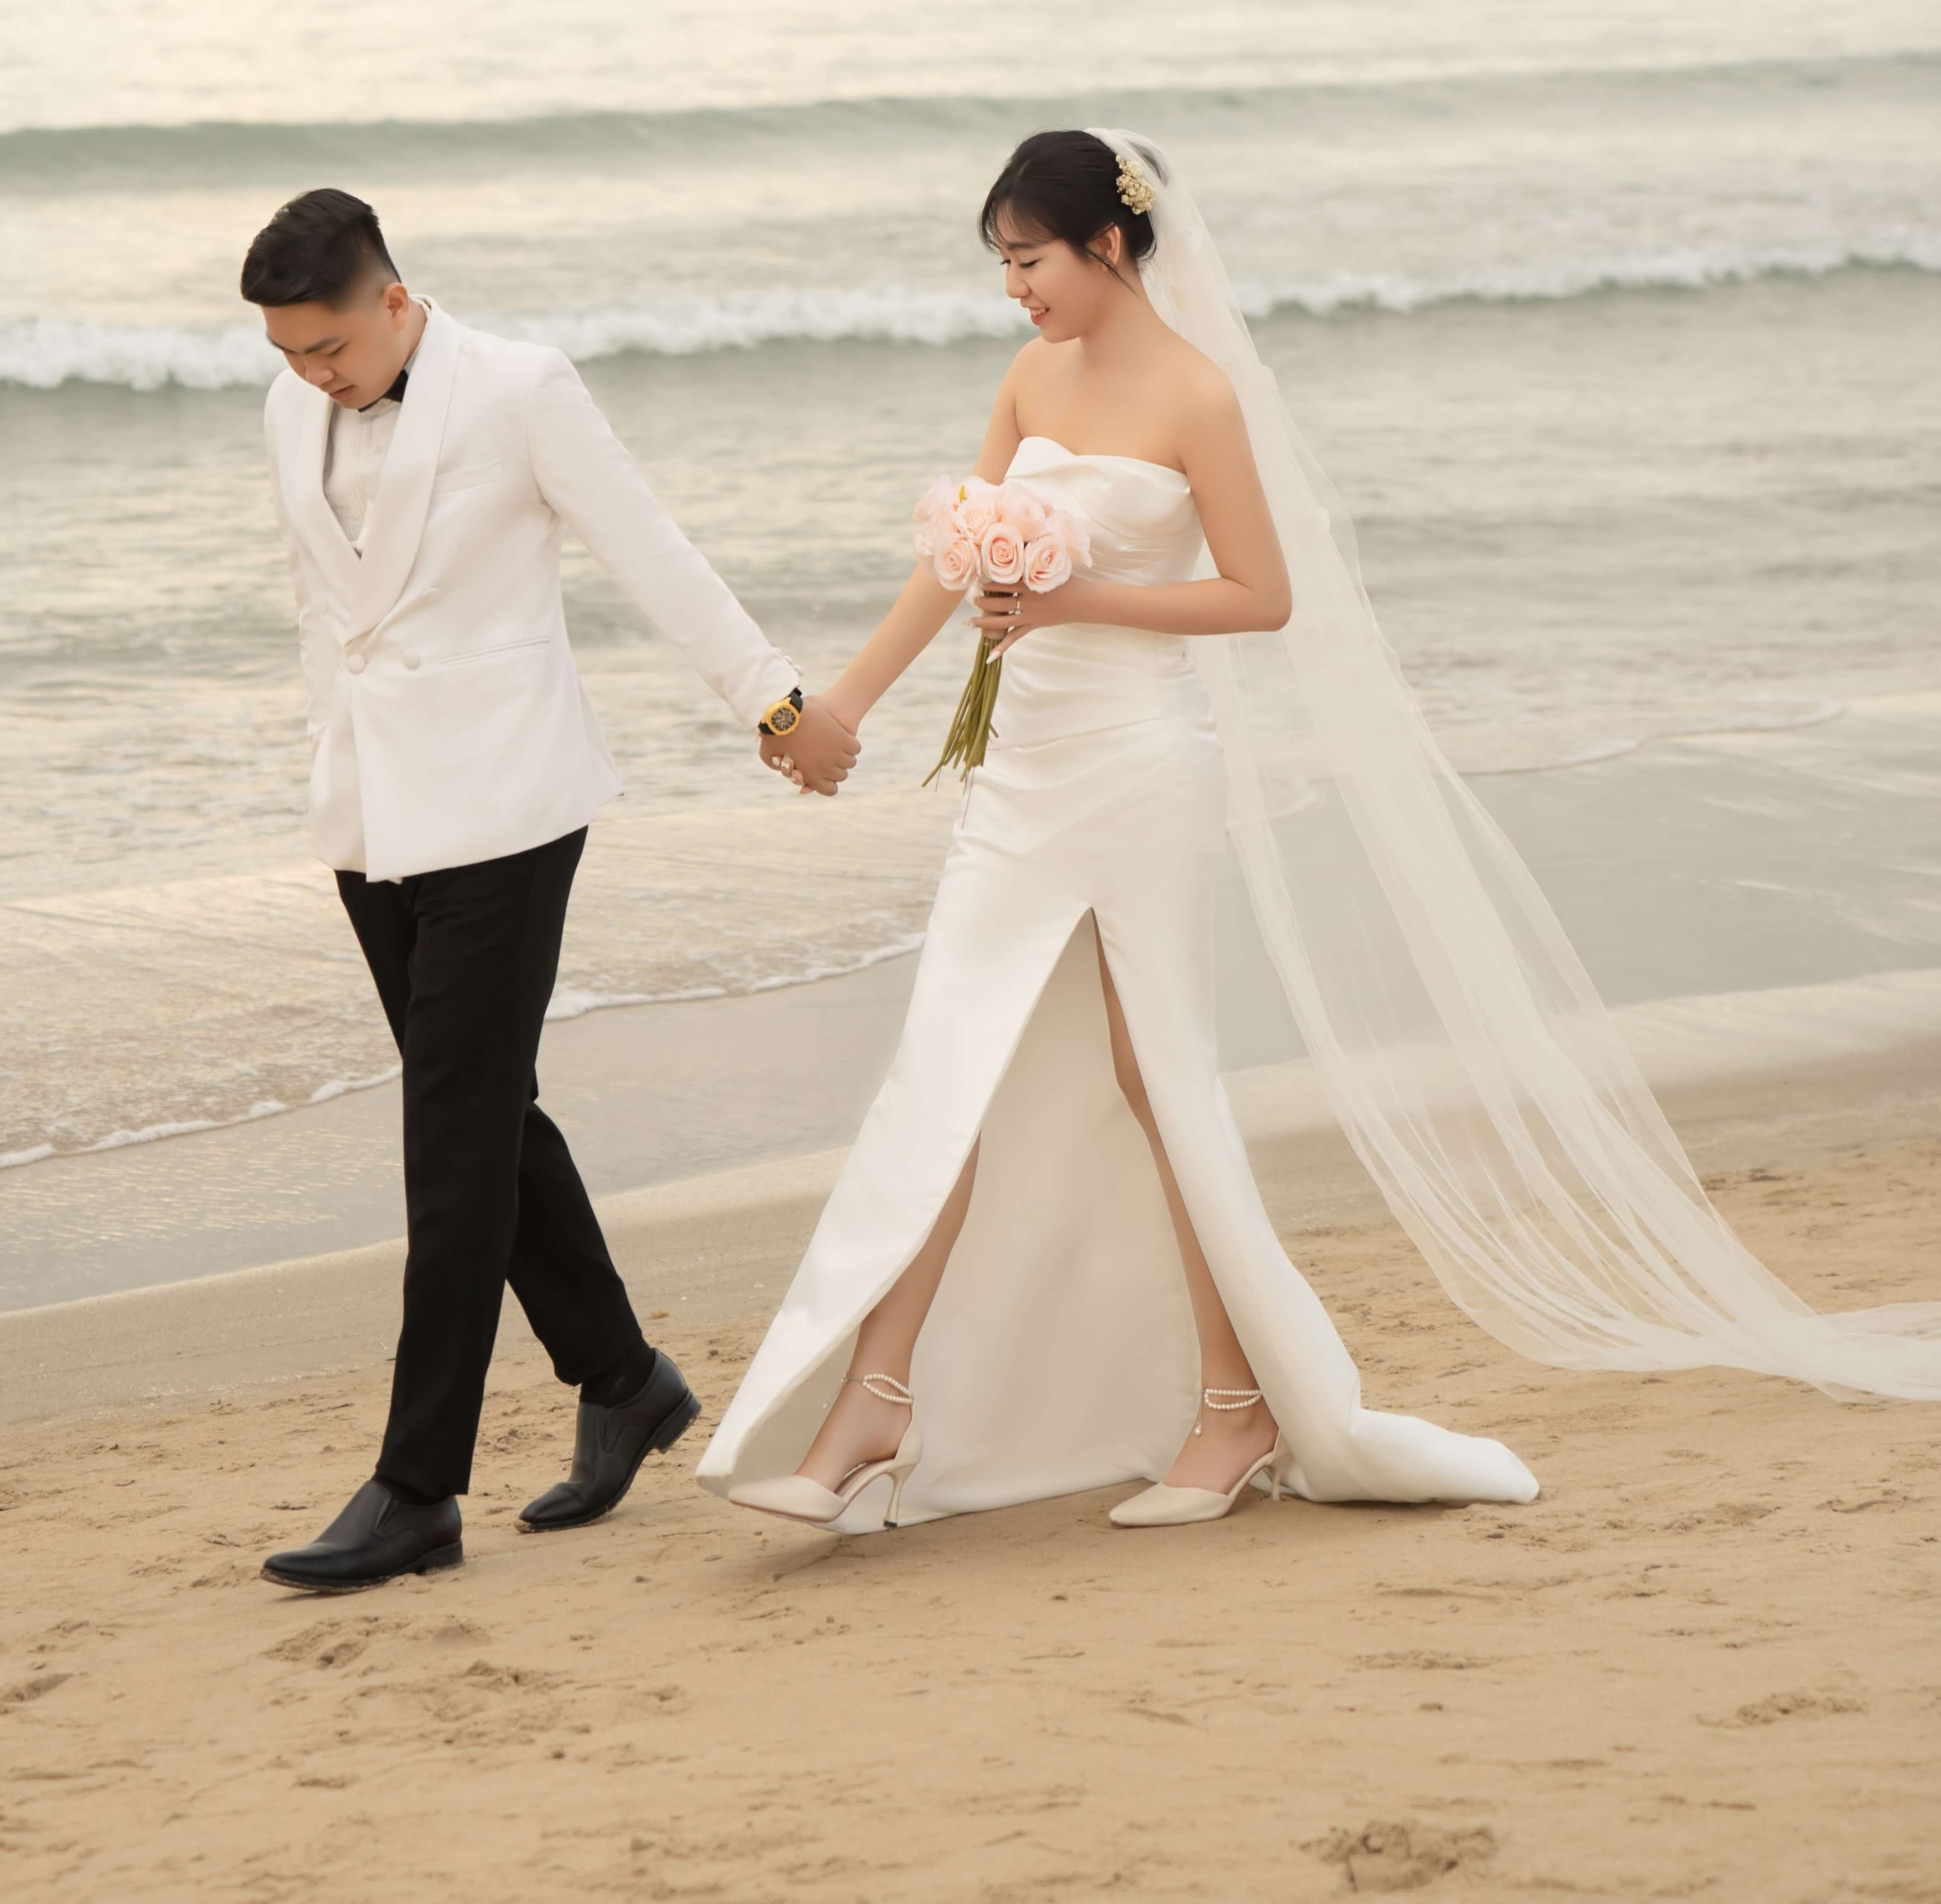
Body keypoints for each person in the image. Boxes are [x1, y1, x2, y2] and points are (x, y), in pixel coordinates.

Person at [703, 127, 1940, 1540]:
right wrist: (841, 708)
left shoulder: (1199, 394)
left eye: (1029, 259)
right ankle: (873, 1405)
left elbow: (1262, 595)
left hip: (1138, 770)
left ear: (1108, 243)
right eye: (1001, 265)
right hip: (1019, 778)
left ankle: (1237, 1410)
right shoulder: (1030, 377)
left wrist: (1075, 602)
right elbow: (953, 561)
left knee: (1160, 1082)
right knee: (947, 1072)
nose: (1014, 289)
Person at [244, 186, 856, 1593]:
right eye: (286, 355)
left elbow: (655, 553)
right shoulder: (290, 408)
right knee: (487, 1118)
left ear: (395, 302)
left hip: (507, 806)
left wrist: (777, 704)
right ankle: (623, 1379)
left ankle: (417, 1490)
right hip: (371, 814)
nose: (311, 376)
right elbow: (323, 605)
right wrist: (332, 763)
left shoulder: (521, 389)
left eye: (329, 347)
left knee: (449, 1147)